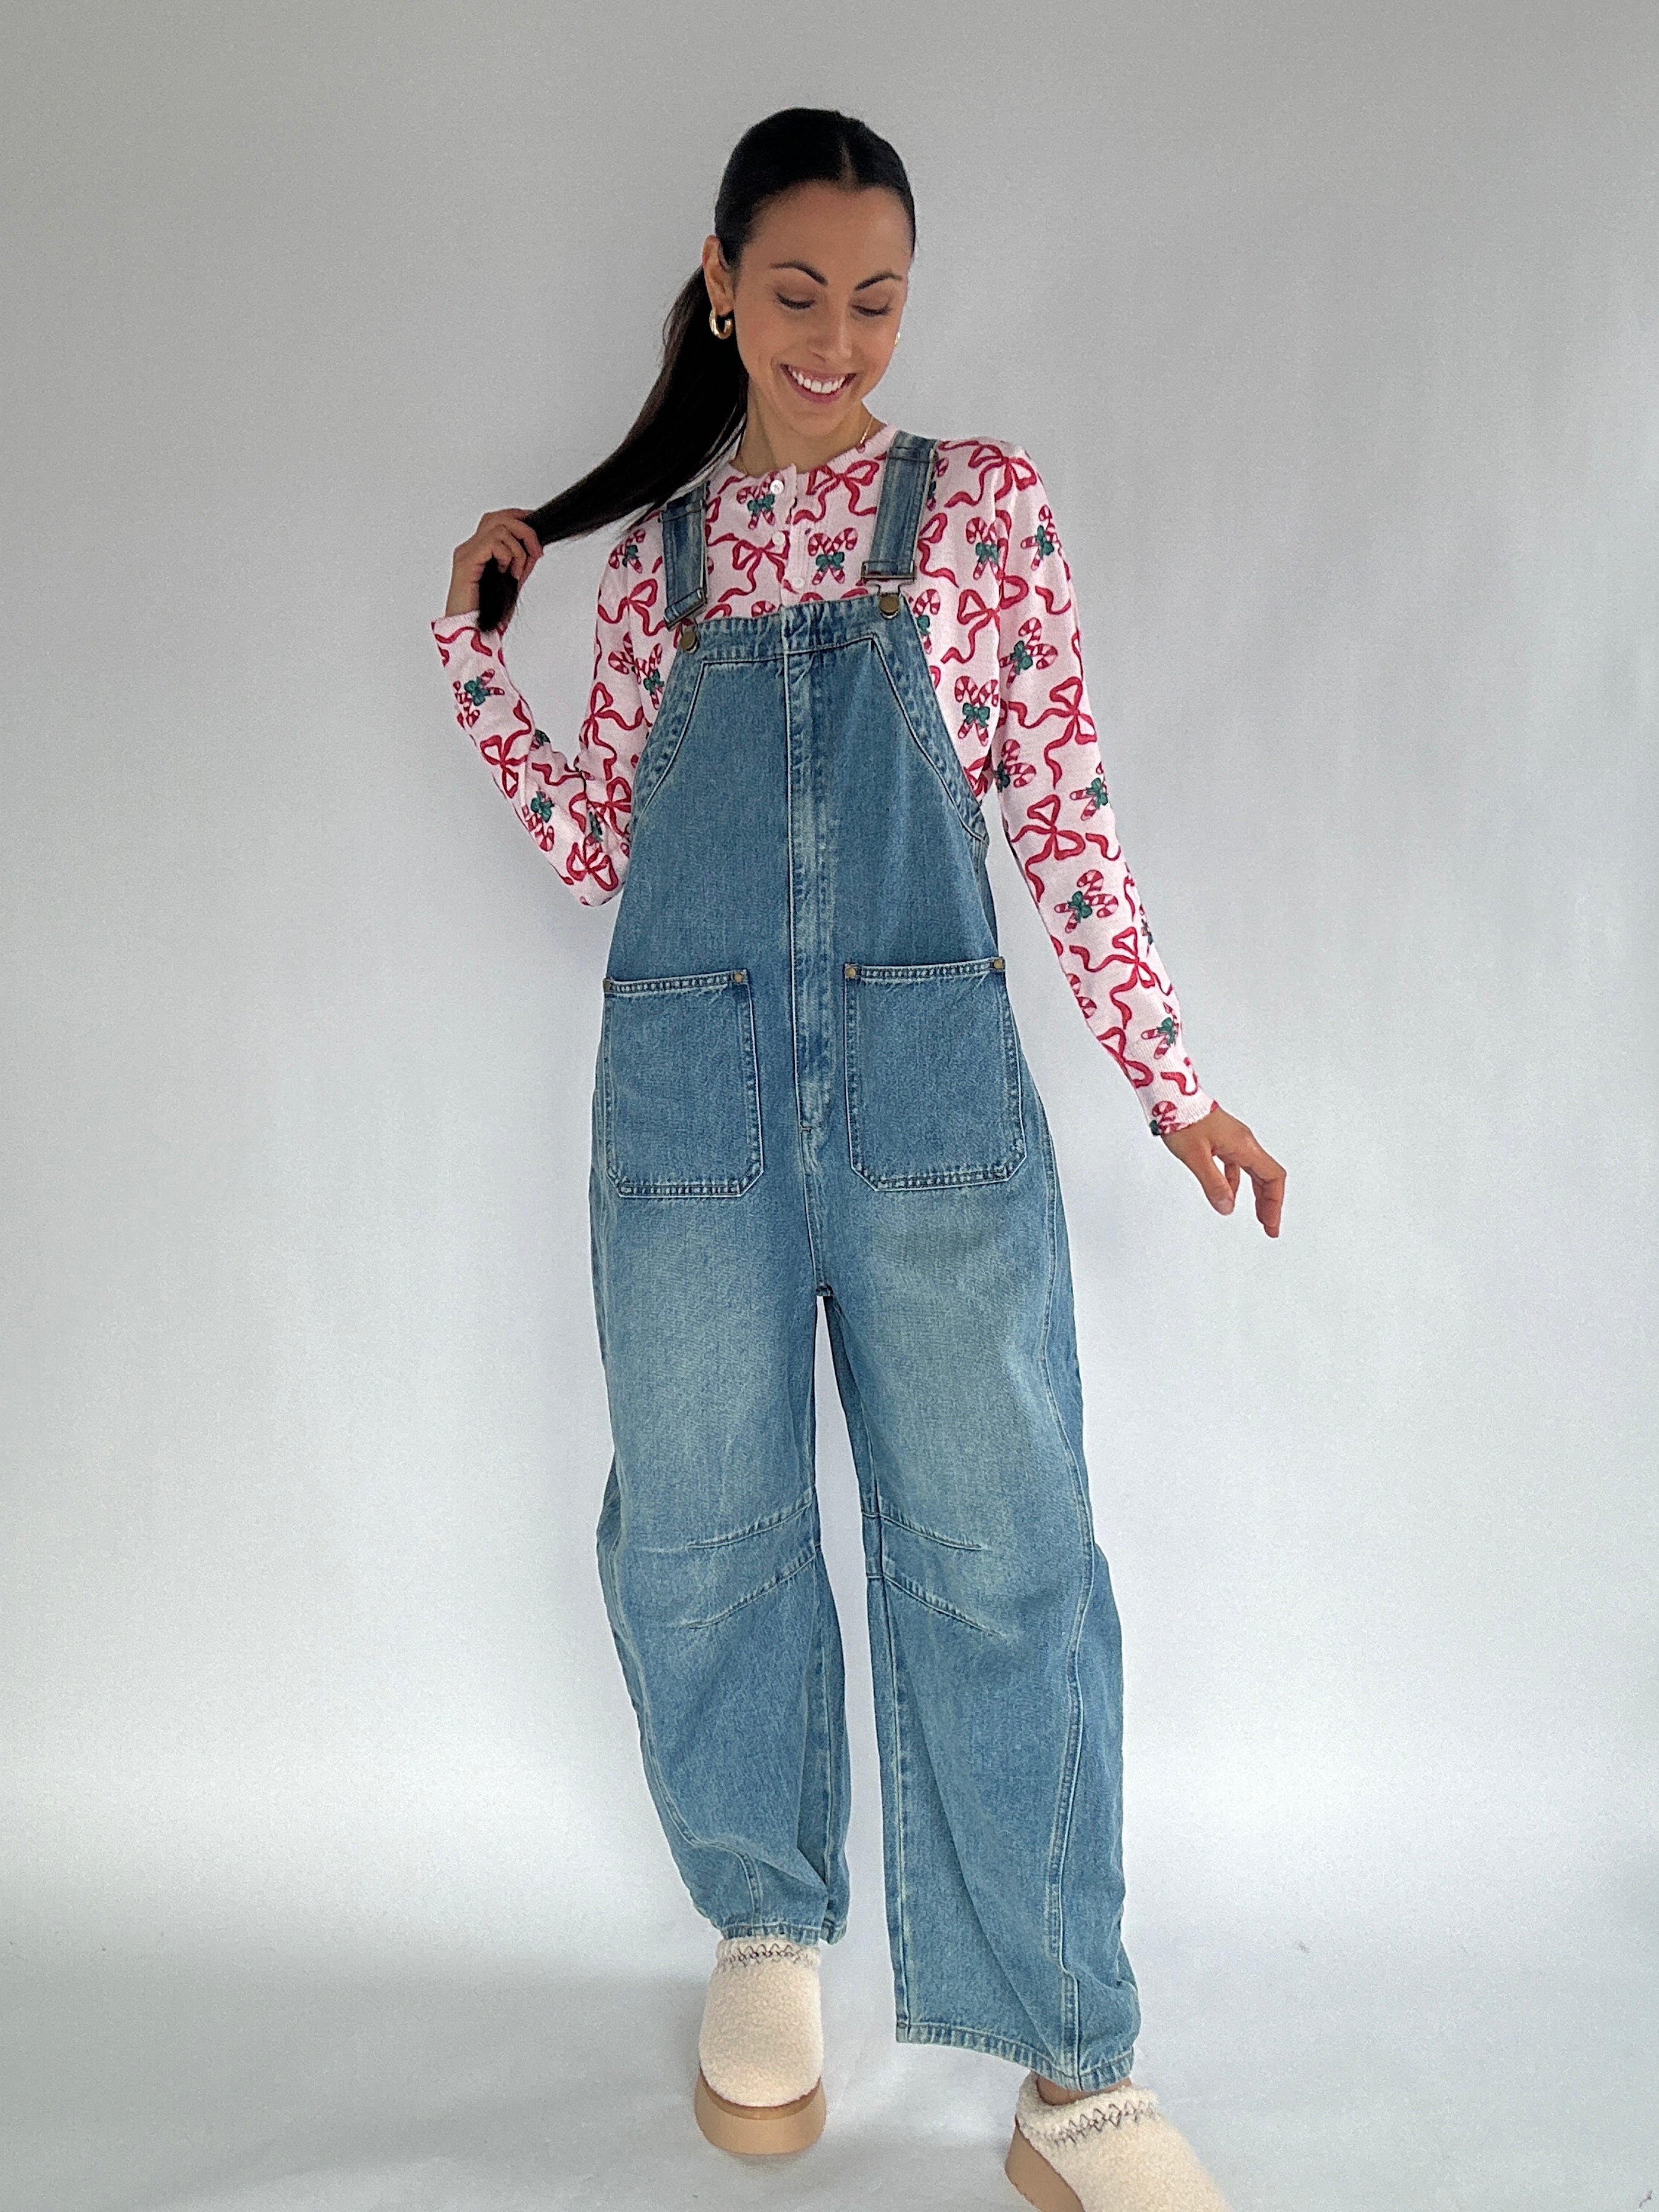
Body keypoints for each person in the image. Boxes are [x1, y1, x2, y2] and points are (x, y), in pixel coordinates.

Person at [433, 105, 1284, 2212]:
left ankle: (1073, 2058)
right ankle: (766, 1923)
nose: (836, 338)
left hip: (932, 1106)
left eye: (877, 297)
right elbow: (610, 854)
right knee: (700, 1530)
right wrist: (477, 659)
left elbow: (1063, 817)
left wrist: (1169, 1079)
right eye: (795, 293)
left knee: (1008, 1552)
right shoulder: (658, 571)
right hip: (683, 1106)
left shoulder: (979, 508)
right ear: (720, 282)